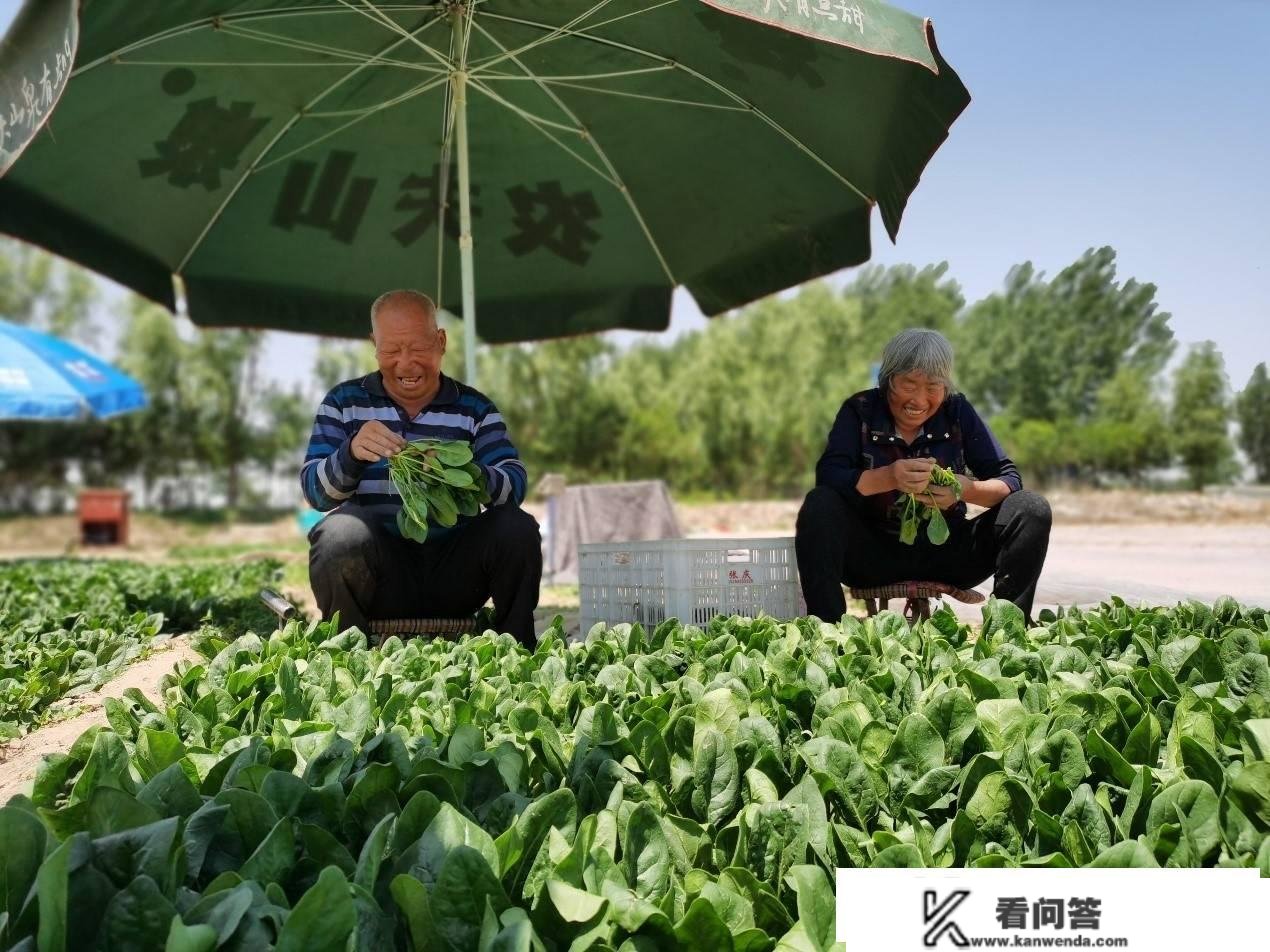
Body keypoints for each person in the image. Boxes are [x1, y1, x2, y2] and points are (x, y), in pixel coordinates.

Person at [301, 289, 541, 645]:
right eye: (392, 350)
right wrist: (350, 453)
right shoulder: (343, 403)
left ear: (441, 341)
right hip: (381, 582)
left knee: (517, 527)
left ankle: (519, 648)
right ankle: (347, 653)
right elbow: (315, 493)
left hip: (457, 580)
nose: (406, 363)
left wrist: (465, 471)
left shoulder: (475, 408)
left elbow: (514, 484)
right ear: (374, 345)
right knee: (338, 534)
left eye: (418, 348)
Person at [796, 328, 1051, 624]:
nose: (919, 399)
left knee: (1031, 508)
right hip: (872, 553)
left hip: (948, 552)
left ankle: (1010, 628)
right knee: (819, 504)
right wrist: (888, 477)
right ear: (888, 379)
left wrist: (963, 489)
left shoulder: (957, 412)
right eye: (909, 384)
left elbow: (1009, 480)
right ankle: (827, 629)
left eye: (933, 386)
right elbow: (829, 477)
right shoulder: (860, 411)